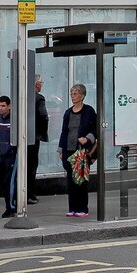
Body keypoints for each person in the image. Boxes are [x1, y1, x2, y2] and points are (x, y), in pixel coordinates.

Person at [58, 83, 99, 217]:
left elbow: (95, 129)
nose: (73, 96)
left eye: (75, 94)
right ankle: (73, 207)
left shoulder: (89, 111)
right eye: (71, 94)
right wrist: (61, 150)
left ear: (82, 95)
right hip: (69, 149)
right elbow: (64, 131)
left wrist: (87, 139)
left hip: (81, 150)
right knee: (70, 180)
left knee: (80, 180)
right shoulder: (68, 112)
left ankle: (82, 208)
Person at [27, 76, 48, 205]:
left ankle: (20, 193)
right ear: (37, 84)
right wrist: (42, 133)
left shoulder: (22, 97)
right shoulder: (39, 98)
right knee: (32, 166)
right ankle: (30, 194)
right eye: (41, 82)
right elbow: (43, 116)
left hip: (21, 137)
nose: (42, 85)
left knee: (23, 165)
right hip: (34, 137)